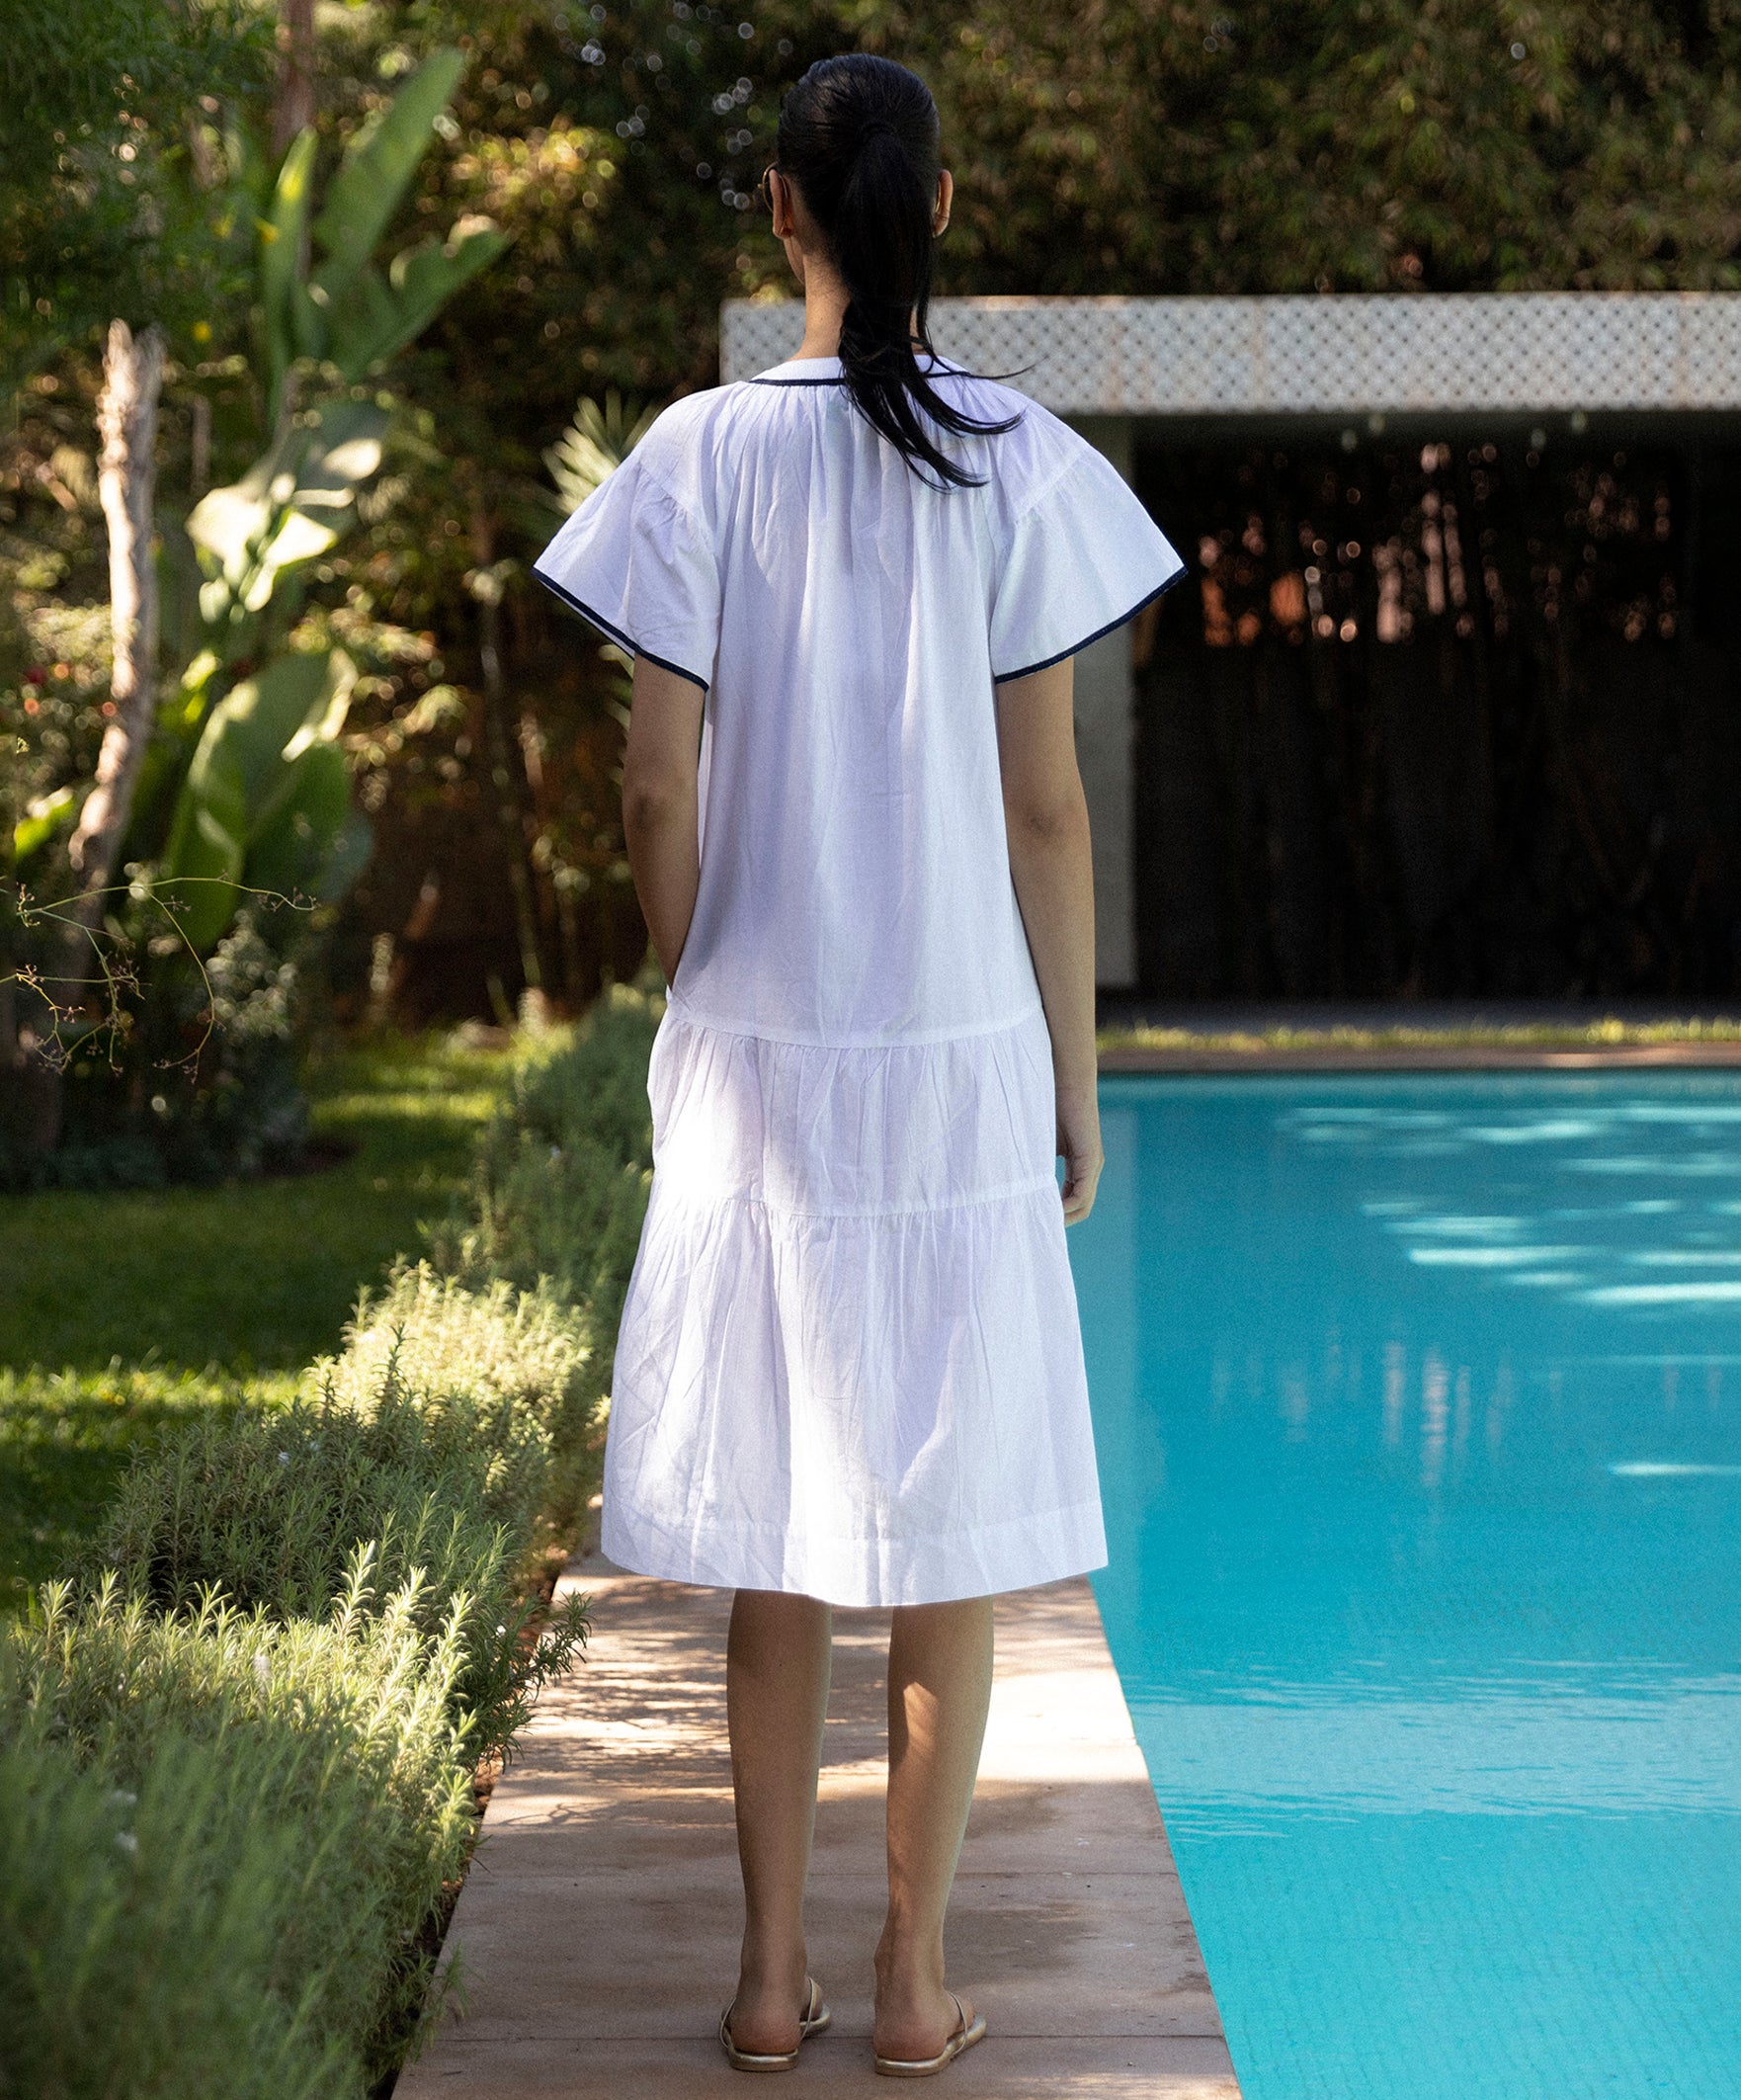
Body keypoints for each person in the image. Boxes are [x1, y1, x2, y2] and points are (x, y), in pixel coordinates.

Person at [533, 51, 1181, 2079]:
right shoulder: (1014, 457)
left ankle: (761, 1980)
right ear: (943, 206)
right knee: (941, 1531)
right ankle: (909, 1982)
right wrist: (1072, 1078)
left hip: (759, 1056)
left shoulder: (695, 452)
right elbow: (1045, 808)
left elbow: (654, 785)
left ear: (779, 209)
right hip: (958, 1050)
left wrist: (698, 974)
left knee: (781, 1526)